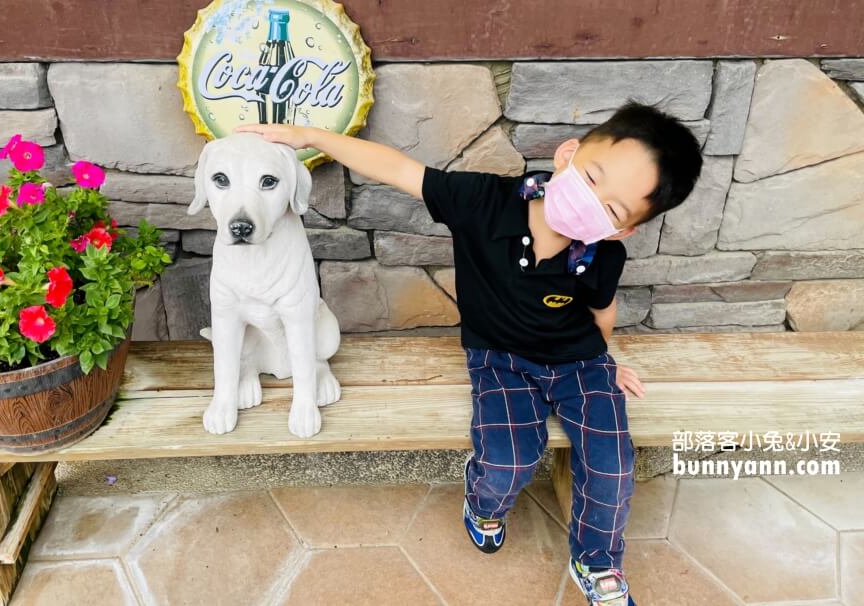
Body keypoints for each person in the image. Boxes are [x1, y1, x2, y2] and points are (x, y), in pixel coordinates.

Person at [236, 104, 703, 605]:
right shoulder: (483, 201)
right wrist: (307, 135)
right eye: (592, 177)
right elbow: (395, 167)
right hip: (499, 359)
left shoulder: (603, 254)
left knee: (613, 464)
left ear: (623, 230)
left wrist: (607, 360)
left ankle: (597, 561)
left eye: (612, 210)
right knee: (507, 462)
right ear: (570, 153)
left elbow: (602, 311)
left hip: (579, 363)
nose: (593, 202)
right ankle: (482, 502)